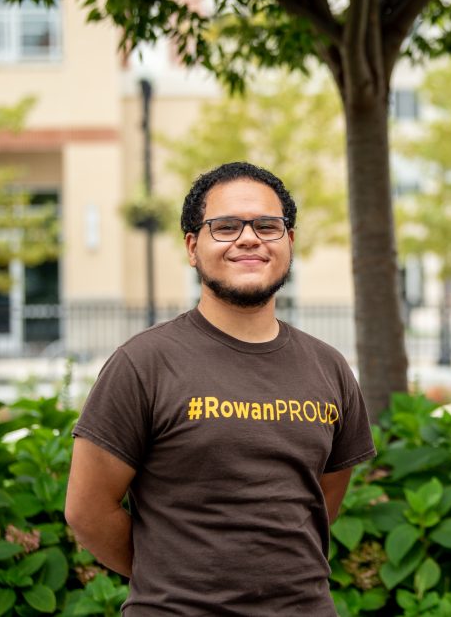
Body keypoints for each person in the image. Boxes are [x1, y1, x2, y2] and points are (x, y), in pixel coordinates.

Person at [65, 162, 376, 615]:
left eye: (268, 226)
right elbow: (88, 512)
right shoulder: (143, 364)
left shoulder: (328, 367)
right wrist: (170, 576)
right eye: (225, 226)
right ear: (193, 247)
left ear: (289, 242)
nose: (249, 238)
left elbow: (320, 503)